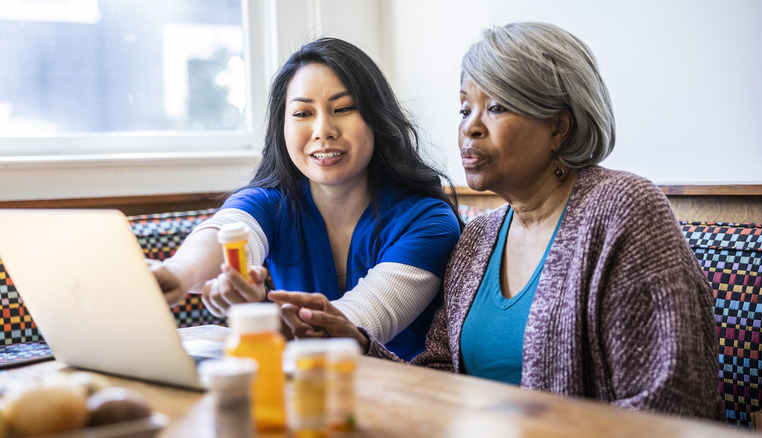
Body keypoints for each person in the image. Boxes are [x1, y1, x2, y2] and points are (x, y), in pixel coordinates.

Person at [269, 22, 723, 420]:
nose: (471, 127)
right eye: (465, 109)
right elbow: (440, 381)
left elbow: (673, 403)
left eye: (497, 107)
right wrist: (355, 342)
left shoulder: (623, 210)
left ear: (559, 126)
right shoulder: (478, 238)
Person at [150, 37, 462, 360]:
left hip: (403, 395)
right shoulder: (272, 203)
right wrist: (177, 274)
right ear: (282, 127)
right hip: (304, 391)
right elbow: (228, 233)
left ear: (376, 119)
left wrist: (258, 311)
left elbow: (349, 329)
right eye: (302, 113)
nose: (322, 130)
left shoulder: (429, 222)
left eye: (343, 109)